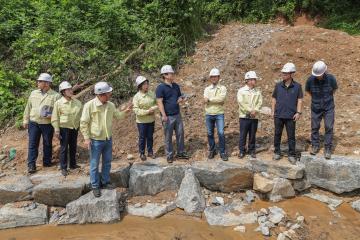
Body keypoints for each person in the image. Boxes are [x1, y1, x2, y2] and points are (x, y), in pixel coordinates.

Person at [80, 82, 132, 197]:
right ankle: (95, 186)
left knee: (107, 162)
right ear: (101, 94)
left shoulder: (110, 105)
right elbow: (84, 123)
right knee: (94, 164)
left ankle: (105, 182)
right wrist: (86, 138)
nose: (110, 94)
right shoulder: (89, 105)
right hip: (95, 140)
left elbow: (117, 116)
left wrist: (125, 112)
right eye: (108, 93)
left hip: (108, 139)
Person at [23, 73, 61, 174]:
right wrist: (25, 120)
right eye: (39, 81)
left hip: (47, 123)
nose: (38, 83)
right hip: (34, 122)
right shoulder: (33, 93)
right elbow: (28, 107)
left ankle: (47, 162)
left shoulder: (56, 96)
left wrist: (52, 115)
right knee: (32, 144)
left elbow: (59, 111)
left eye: (40, 81)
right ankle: (31, 165)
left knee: (47, 143)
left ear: (47, 83)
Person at [155, 65, 190, 163]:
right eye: (171, 73)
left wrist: (181, 100)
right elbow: (159, 102)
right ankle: (169, 155)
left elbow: (178, 98)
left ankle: (181, 152)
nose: (172, 74)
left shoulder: (176, 86)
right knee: (168, 136)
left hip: (177, 114)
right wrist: (163, 115)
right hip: (168, 116)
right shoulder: (160, 88)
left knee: (180, 133)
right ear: (165, 75)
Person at [271, 63, 303, 164]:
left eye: (285, 73)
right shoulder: (278, 85)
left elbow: (300, 100)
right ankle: (277, 152)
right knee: (277, 134)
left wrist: (298, 112)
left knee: (291, 136)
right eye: (283, 73)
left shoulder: (297, 86)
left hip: (291, 116)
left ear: (291, 74)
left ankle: (291, 154)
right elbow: (274, 98)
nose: (283, 75)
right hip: (278, 115)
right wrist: (272, 111)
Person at [305, 61, 337, 159]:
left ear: (324, 72)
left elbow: (334, 89)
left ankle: (327, 148)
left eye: (319, 74)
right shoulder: (310, 80)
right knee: (314, 127)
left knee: (329, 127)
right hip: (316, 108)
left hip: (329, 107)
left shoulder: (331, 79)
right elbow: (308, 91)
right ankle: (315, 146)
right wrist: (316, 99)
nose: (318, 76)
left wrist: (327, 99)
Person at [51, 81, 82, 176]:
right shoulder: (58, 103)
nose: (70, 91)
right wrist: (56, 129)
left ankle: (73, 164)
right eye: (68, 89)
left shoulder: (77, 102)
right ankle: (63, 167)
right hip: (64, 128)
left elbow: (81, 116)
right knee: (64, 147)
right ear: (63, 92)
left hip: (74, 127)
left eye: (70, 89)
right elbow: (55, 117)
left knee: (73, 146)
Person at [203, 68, 228, 161]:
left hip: (219, 113)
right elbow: (205, 100)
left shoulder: (223, 88)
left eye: (215, 76)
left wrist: (210, 100)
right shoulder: (206, 89)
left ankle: (222, 152)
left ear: (219, 77)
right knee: (210, 133)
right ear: (210, 78)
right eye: (212, 77)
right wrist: (214, 100)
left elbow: (221, 99)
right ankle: (212, 150)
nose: (214, 78)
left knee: (221, 132)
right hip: (209, 113)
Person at [237, 71, 263, 159]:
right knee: (243, 134)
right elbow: (241, 103)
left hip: (254, 116)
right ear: (247, 80)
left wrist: (255, 110)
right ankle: (241, 150)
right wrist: (250, 110)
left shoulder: (257, 91)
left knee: (252, 135)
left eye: (255, 79)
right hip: (244, 116)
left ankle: (251, 150)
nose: (255, 81)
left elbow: (260, 102)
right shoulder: (241, 91)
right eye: (253, 79)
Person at [133, 76, 158, 161]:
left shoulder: (151, 93)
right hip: (141, 121)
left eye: (147, 84)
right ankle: (142, 153)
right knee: (142, 137)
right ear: (140, 86)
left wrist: (154, 108)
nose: (146, 86)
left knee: (150, 136)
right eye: (144, 84)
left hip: (151, 120)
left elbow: (157, 103)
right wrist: (147, 111)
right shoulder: (136, 97)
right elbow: (136, 110)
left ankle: (150, 152)